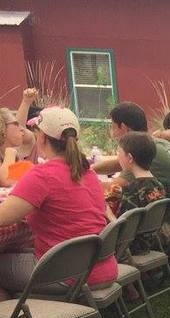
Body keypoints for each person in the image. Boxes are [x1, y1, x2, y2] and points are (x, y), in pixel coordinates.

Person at [0, 107, 117, 301]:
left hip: (68, 275)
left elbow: (3, 218)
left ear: (43, 138)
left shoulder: (42, 175)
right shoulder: (88, 174)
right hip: (101, 268)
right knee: (19, 250)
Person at [96, 102, 170, 236]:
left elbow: (112, 188)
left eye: (113, 127)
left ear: (124, 128)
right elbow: (119, 163)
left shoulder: (146, 156)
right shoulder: (154, 144)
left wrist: (84, 182)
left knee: (105, 230)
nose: (112, 133)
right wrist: (89, 169)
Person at [115, 132, 167, 254]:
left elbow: (119, 227)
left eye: (119, 152)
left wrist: (106, 211)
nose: (117, 156)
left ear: (130, 158)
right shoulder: (158, 185)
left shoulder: (133, 189)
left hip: (131, 246)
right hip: (152, 241)